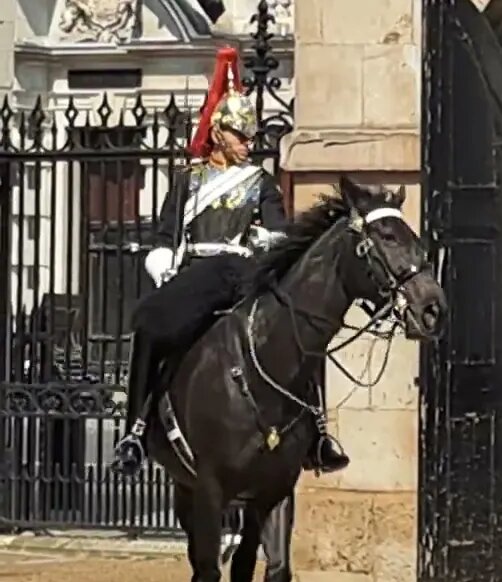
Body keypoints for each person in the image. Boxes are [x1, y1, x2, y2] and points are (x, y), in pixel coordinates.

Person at [111, 45, 350, 477]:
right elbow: (165, 236)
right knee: (148, 322)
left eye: (251, 137)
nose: (249, 144)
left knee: (303, 330)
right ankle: (136, 430)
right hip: (193, 276)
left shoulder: (260, 183)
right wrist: (163, 263)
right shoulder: (187, 181)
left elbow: (280, 235)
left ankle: (316, 432)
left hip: (240, 274)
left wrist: (260, 242)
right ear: (220, 133)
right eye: (242, 136)